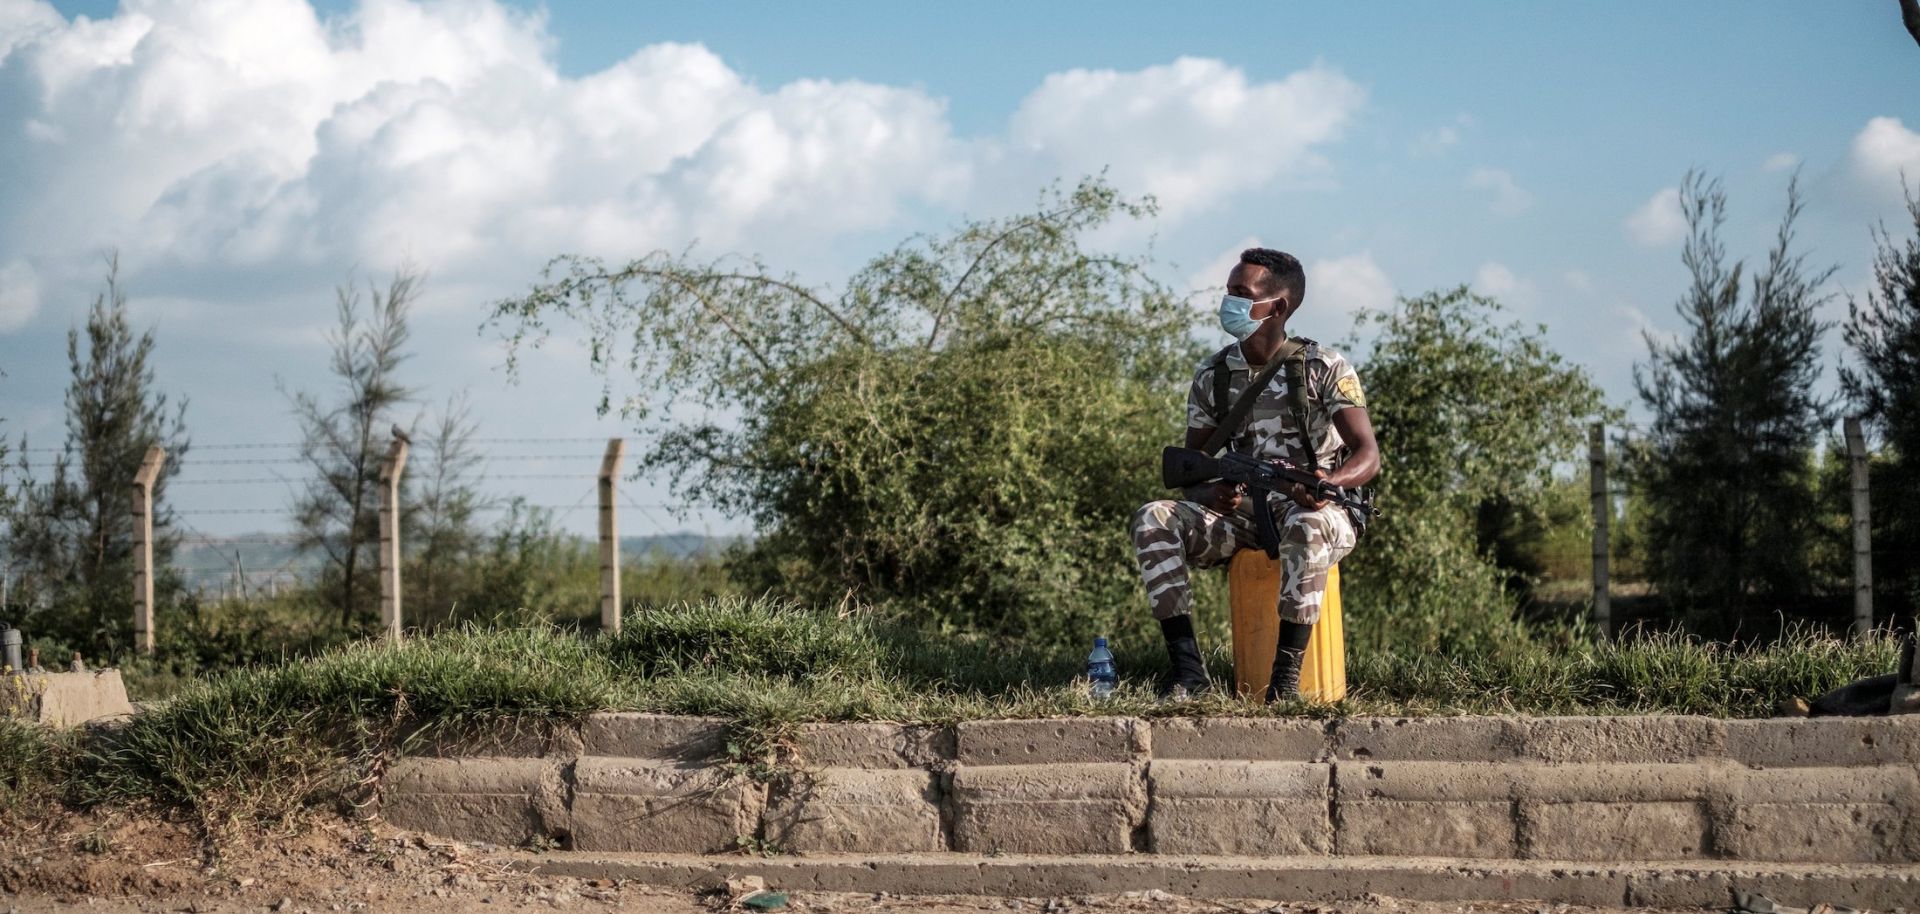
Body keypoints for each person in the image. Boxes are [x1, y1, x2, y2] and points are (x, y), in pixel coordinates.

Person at [1130, 248, 1380, 701]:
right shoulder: (1214, 374)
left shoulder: (1323, 368)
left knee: (1307, 526)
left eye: (1241, 294)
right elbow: (1191, 467)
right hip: (1244, 515)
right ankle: (1189, 674)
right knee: (1154, 519)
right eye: (1229, 291)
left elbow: (1367, 456)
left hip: (1315, 510)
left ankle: (1284, 685)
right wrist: (1211, 493)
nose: (1229, 302)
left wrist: (1328, 485)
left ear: (1277, 307)